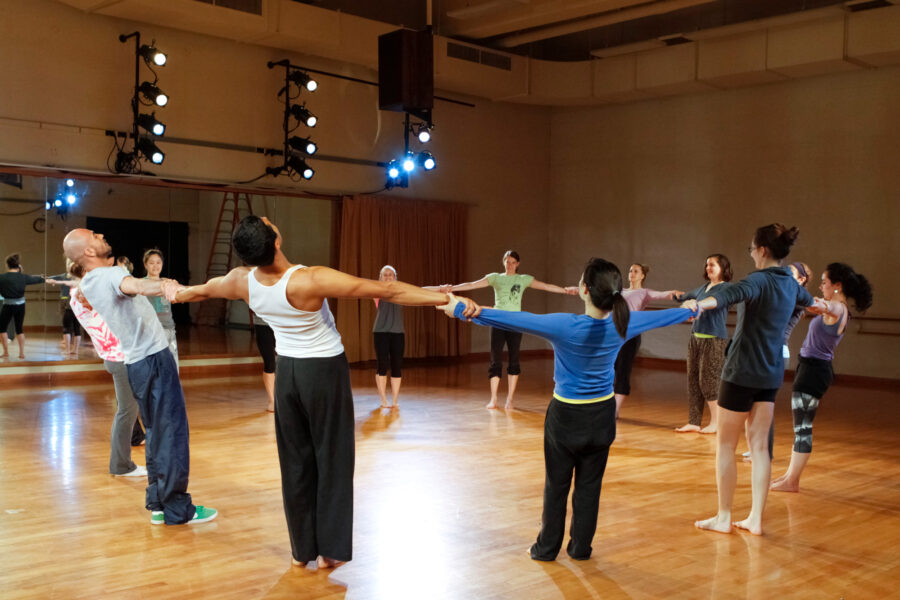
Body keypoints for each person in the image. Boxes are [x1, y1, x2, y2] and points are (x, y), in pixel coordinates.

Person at [172, 215, 478, 569]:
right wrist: (445, 298)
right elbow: (387, 290)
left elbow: (204, 289)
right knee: (332, 459)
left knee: (296, 462)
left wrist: (176, 293)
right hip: (323, 372)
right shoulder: (308, 279)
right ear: (276, 240)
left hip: (286, 374)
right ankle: (330, 550)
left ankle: (302, 551)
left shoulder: (241, 281)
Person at [439, 257, 695, 561]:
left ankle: (546, 549)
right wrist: (695, 307)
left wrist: (460, 309)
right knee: (589, 486)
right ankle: (580, 548)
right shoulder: (625, 322)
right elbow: (675, 315)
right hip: (602, 417)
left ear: (584, 289)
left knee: (556, 485)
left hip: (566, 417)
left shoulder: (564, 325)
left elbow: (512, 319)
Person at [63, 228, 216, 526]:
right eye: (94, 235)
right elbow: (136, 285)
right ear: (89, 253)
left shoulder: (93, 281)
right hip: (154, 359)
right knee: (171, 432)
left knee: (158, 433)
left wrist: (159, 285)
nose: (101, 234)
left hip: (137, 363)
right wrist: (165, 285)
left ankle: (159, 504)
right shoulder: (109, 275)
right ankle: (177, 509)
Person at [688, 224, 822, 536]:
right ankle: (755, 519)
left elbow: (730, 294)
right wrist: (830, 306)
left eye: (751, 248)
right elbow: (811, 301)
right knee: (760, 447)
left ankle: (724, 517)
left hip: (740, 373)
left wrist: (700, 303)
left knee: (725, 446)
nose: (750, 253)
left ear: (762, 250)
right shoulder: (791, 284)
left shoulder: (757, 280)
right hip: (770, 373)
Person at [770, 263, 873, 493]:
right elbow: (815, 307)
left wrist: (797, 291)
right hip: (809, 368)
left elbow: (821, 305)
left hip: (814, 372)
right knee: (801, 426)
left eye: (825, 282)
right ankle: (789, 476)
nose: (821, 285)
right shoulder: (836, 307)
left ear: (837, 286)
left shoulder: (838, 307)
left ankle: (792, 481)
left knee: (802, 427)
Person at [438, 250, 578, 409]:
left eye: (513, 262)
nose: (509, 265)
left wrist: (566, 290)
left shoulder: (523, 279)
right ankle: (493, 398)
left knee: (514, 359)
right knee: (495, 359)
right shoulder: (495, 278)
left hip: (516, 322)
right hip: (498, 320)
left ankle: (510, 399)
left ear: (517, 264)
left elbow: (545, 286)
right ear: (503, 262)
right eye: (507, 261)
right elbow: (472, 284)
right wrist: (451, 288)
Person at [66, 259, 146, 477]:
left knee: (128, 409)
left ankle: (123, 462)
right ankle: (121, 465)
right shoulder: (83, 293)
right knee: (127, 412)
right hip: (119, 358)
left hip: (117, 356)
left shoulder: (79, 292)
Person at [614, 263, 683, 417]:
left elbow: (661, 295)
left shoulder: (644, 292)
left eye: (636, 271)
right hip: (614, 335)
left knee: (622, 371)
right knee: (608, 369)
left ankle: (615, 409)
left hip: (630, 337)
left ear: (642, 275)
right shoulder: (619, 292)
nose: (631, 273)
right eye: (630, 270)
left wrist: (675, 293)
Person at [674, 254, 733, 434]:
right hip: (695, 339)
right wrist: (680, 299)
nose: (708, 267)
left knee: (708, 382)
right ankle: (694, 421)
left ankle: (717, 422)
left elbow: (706, 304)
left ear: (723, 267)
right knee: (693, 380)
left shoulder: (727, 288)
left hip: (714, 340)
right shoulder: (704, 287)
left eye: (712, 265)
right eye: (707, 264)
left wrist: (693, 303)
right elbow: (685, 297)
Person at [0, 253, 47, 360]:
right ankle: (21, 353)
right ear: (18, 265)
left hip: (7, 305)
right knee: (19, 329)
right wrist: (46, 279)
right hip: (20, 306)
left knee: (2, 328)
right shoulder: (23, 277)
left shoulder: (1, 278)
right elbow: (39, 279)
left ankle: (6, 352)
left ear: (7, 265)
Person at [373, 265, 404, 408]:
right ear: (380, 277)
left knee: (397, 366)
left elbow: (420, 291)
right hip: (380, 332)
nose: (388, 277)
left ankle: (395, 400)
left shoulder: (401, 292)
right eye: (385, 275)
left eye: (390, 274)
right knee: (382, 365)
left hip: (398, 332)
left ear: (395, 277)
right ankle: (383, 399)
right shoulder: (376, 291)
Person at [143, 249, 179, 366]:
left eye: (158, 262)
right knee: (156, 367)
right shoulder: (140, 283)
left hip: (169, 328)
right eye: (152, 263)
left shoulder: (167, 282)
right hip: (152, 331)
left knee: (173, 365)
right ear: (145, 265)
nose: (155, 266)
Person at [252, 311, 276, 412]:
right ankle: (272, 401)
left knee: (290, 361)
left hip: (286, 323)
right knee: (270, 362)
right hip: (262, 323)